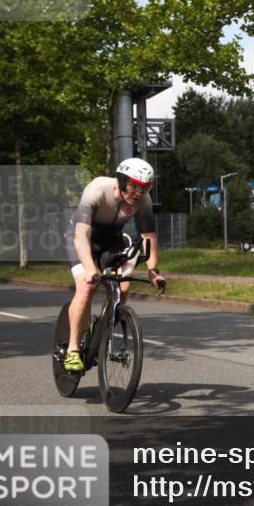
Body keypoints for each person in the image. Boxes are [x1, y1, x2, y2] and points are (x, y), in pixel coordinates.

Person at [64, 158, 165, 371]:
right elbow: (81, 234)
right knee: (86, 286)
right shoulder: (97, 189)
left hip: (112, 240)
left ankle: (103, 328)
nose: (139, 192)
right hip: (82, 238)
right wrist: (91, 268)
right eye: (134, 186)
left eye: (145, 187)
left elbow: (148, 236)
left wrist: (153, 271)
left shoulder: (143, 200)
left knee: (124, 286)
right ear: (120, 181)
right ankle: (72, 349)